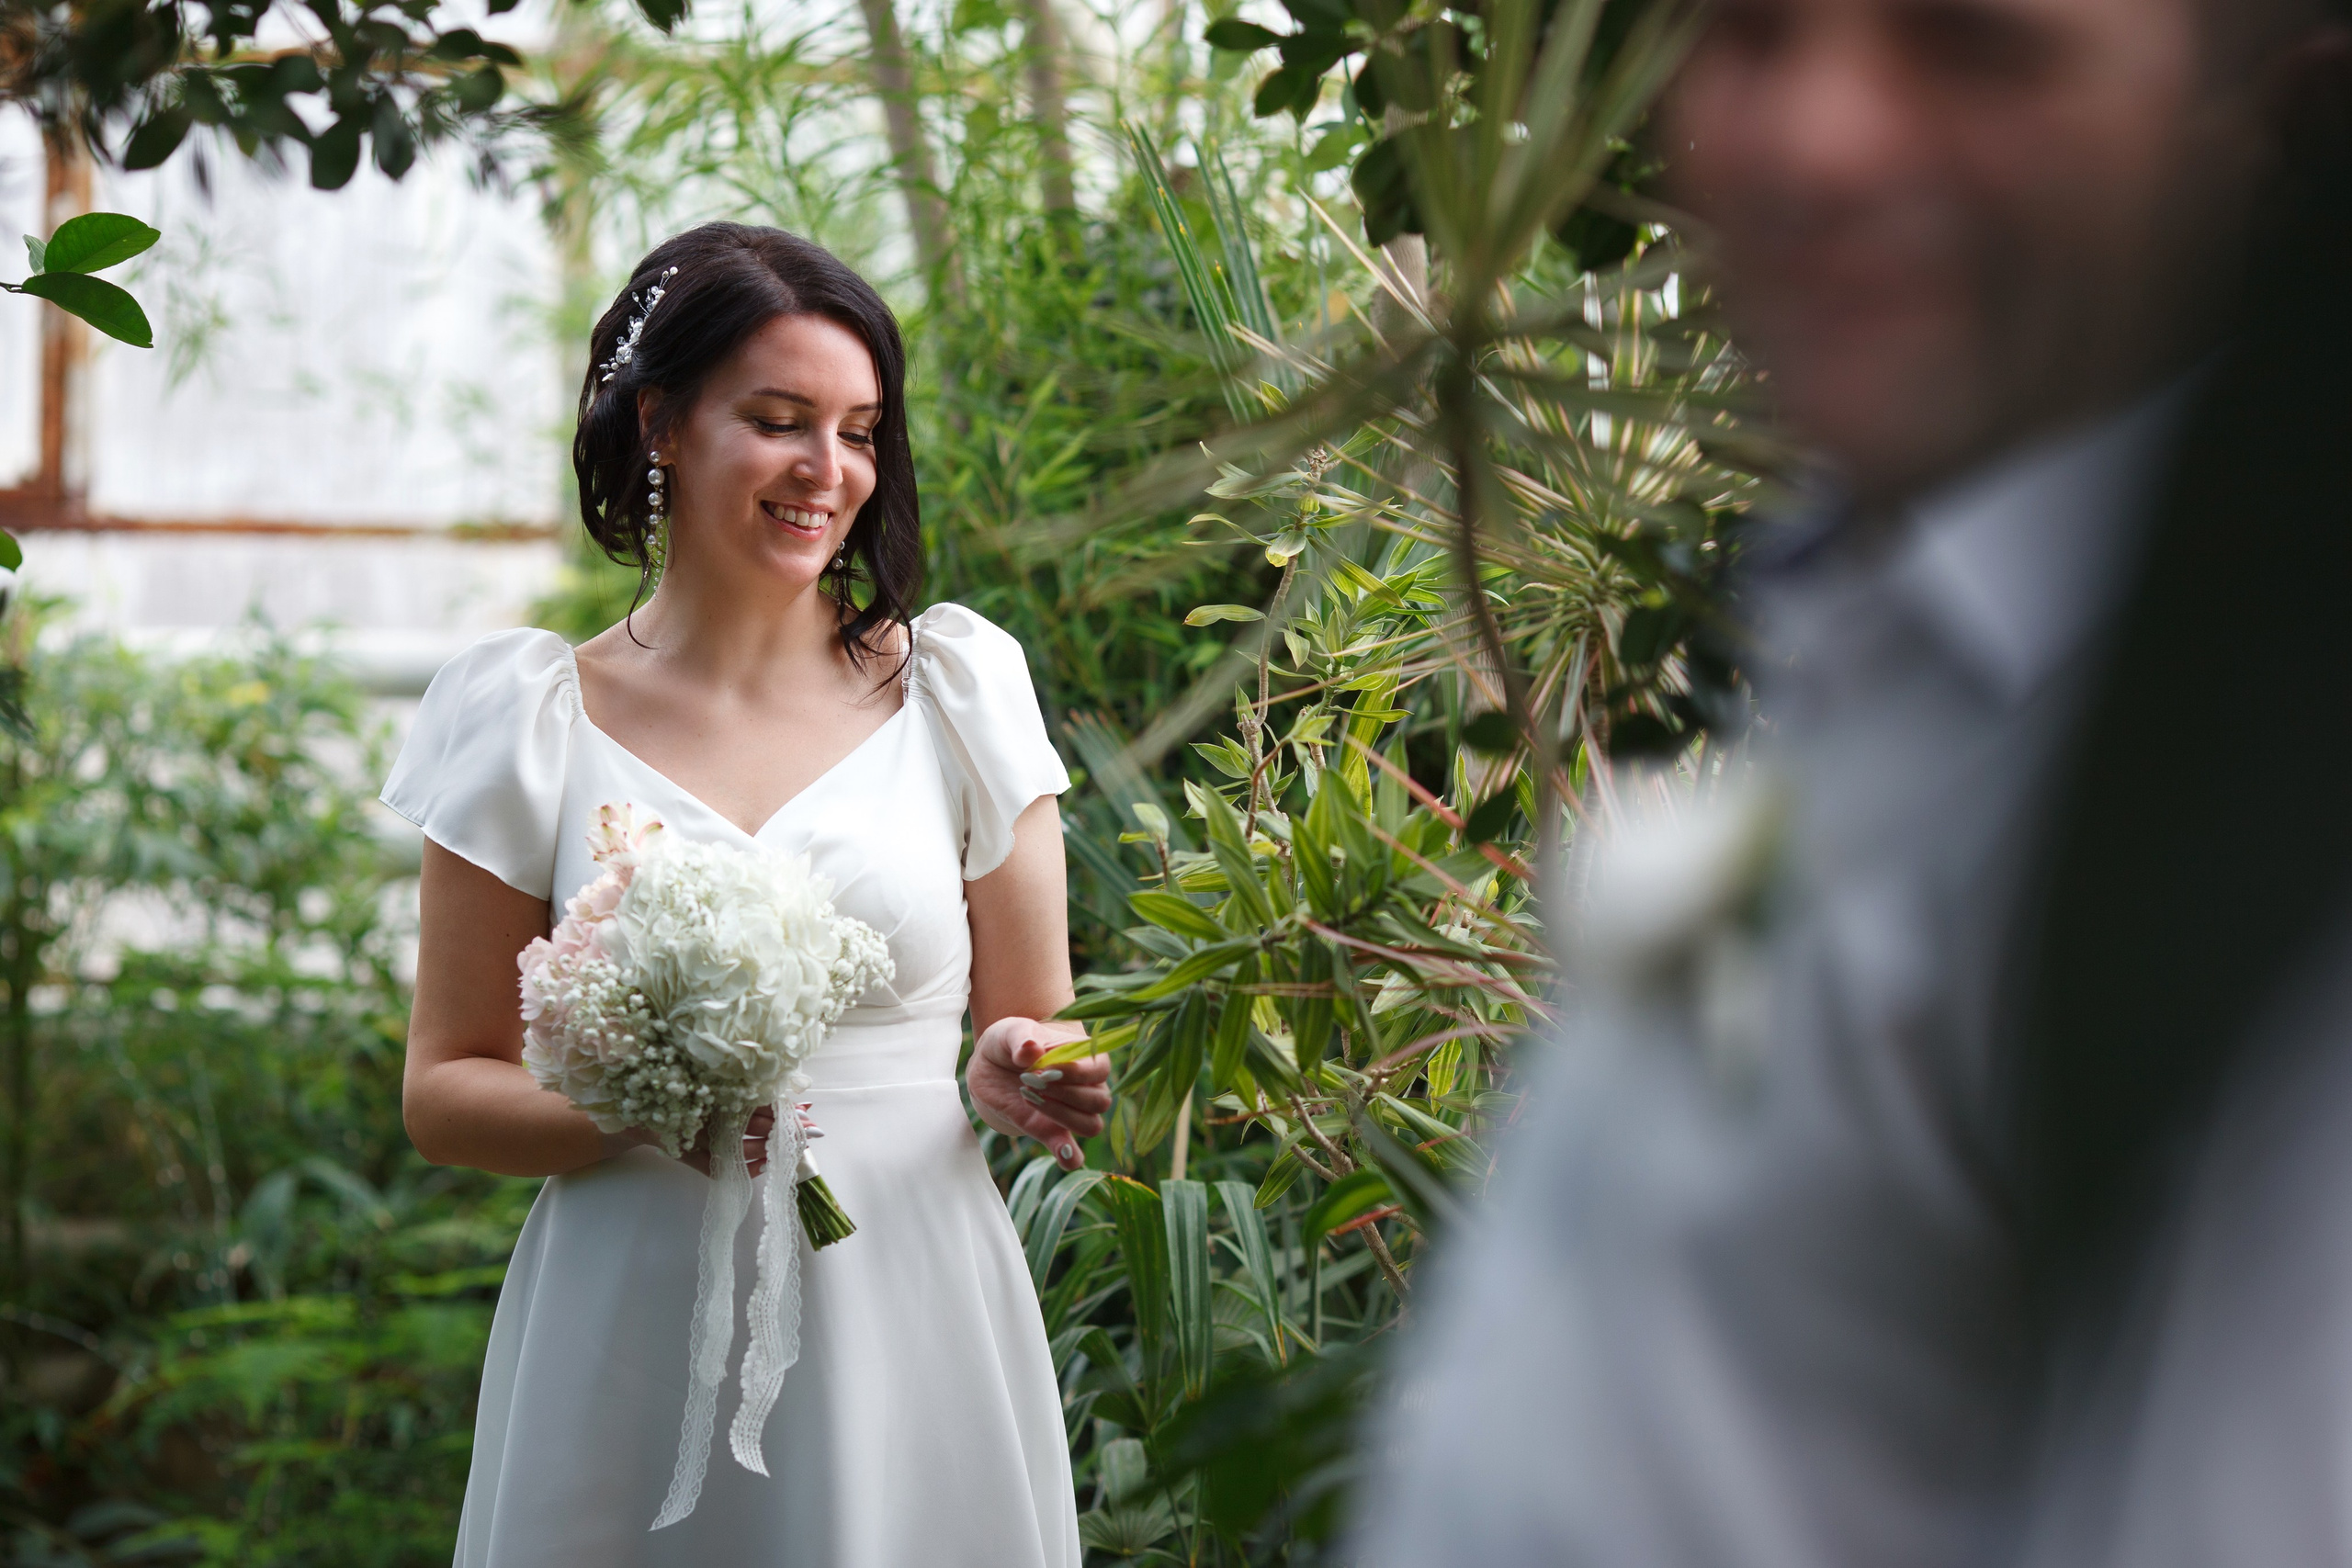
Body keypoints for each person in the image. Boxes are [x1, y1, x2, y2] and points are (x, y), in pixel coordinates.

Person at [1358, 1, 2352, 1564]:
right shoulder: (1900, 646)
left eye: (1979, 46)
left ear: (2274, 120)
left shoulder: (2252, 832)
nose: (1815, 140)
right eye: (1750, 31)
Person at [384, 222, 1108, 1567]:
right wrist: (636, 1111)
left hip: (905, 1293)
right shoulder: (529, 716)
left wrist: (1024, 1066)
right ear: (659, 422)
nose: (826, 472)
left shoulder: (956, 689)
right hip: (629, 1307)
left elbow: (1034, 1023)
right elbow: (444, 1088)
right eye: (780, 421)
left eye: (859, 431)